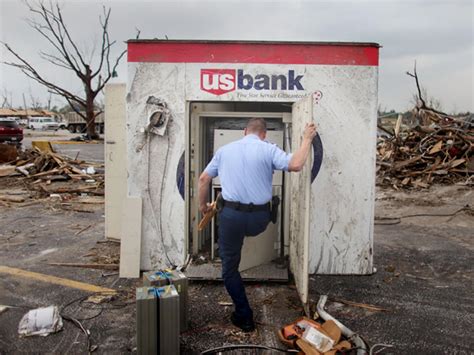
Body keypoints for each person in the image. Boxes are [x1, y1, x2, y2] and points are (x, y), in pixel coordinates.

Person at [198, 117, 317, 332]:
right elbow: (296, 164)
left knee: (230, 268)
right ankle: (267, 224)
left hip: (231, 218)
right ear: (264, 134)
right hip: (259, 221)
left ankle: (244, 316)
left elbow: (203, 179)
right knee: (260, 217)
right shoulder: (269, 149)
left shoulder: (225, 150)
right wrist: (307, 139)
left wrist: (204, 207)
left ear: (245, 131)